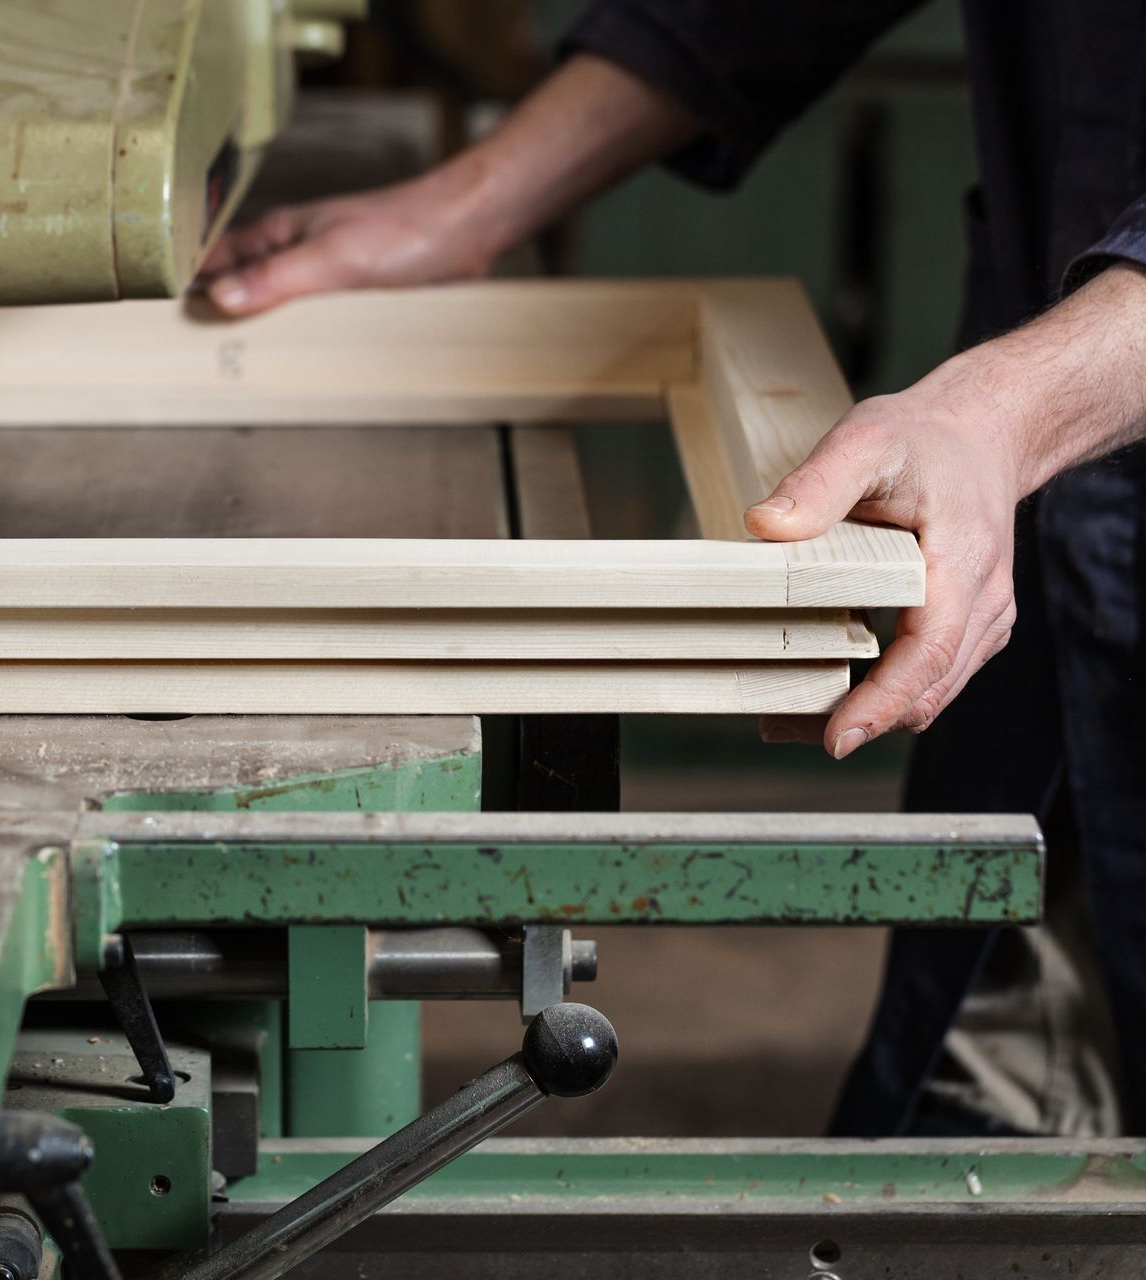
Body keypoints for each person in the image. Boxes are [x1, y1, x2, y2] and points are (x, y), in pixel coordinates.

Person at [201, 3, 1146, 1137]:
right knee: (976, 1116)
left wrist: (1009, 412)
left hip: (1032, 457)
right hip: (1022, 518)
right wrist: (471, 202)